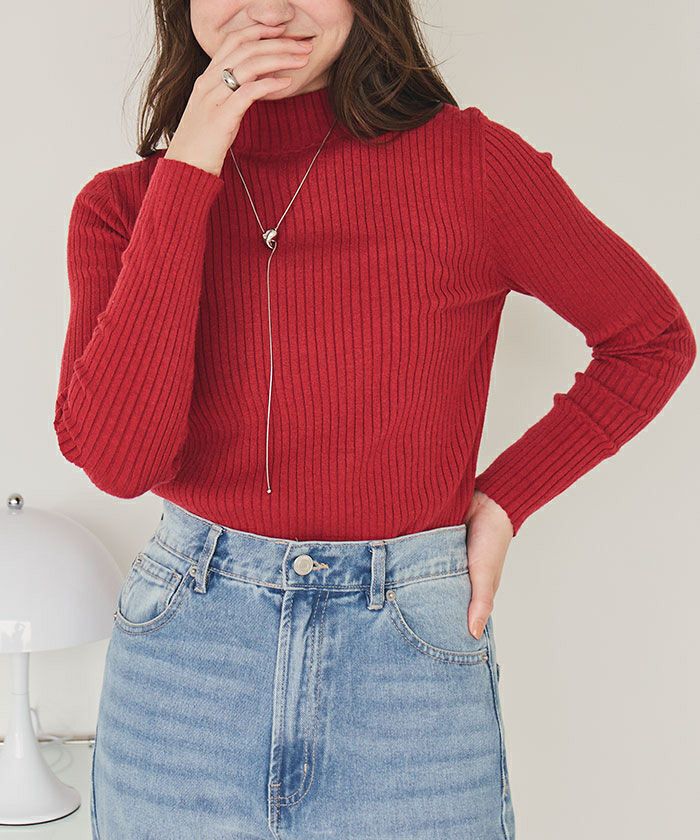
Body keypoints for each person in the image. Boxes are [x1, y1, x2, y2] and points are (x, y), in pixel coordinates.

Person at [53, 2, 696, 839]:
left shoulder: (472, 166)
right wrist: (191, 167)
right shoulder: (120, 206)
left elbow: (650, 340)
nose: (271, 10)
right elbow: (120, 461)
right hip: (187, 663)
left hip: (407, 660)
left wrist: (503, 501)